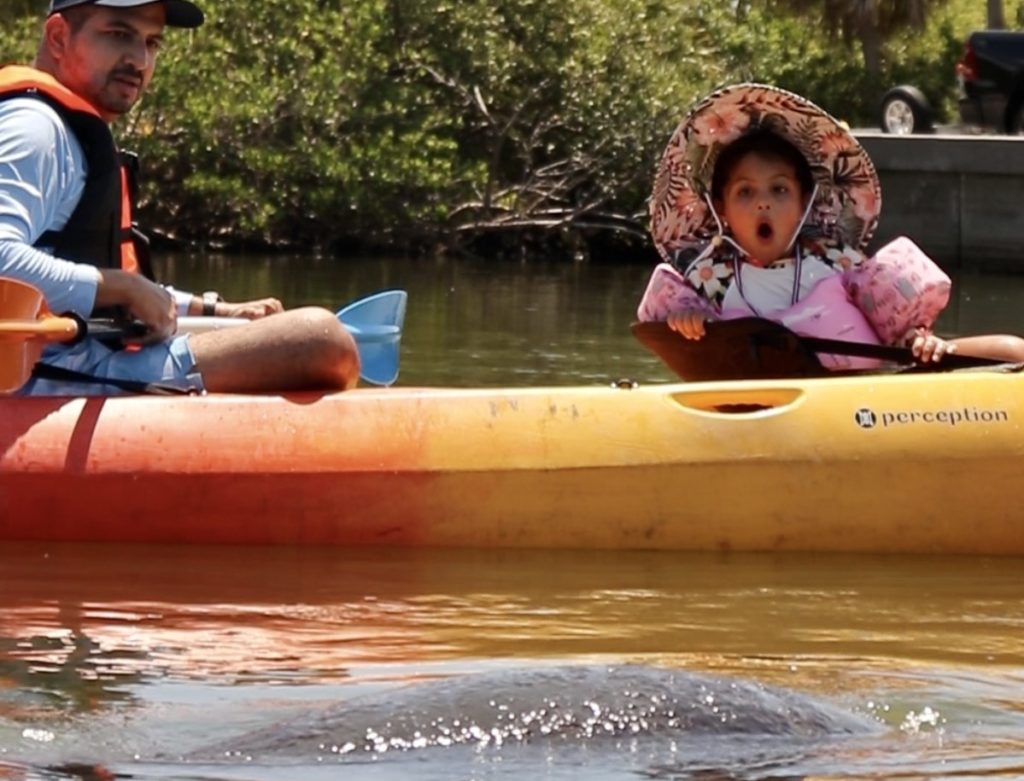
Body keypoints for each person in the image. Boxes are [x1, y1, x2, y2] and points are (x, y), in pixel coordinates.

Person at [0, 0, 359, 395]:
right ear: (58, 37)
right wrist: (121, 287)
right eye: (119, 35)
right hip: (46, 381)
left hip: (84, 363)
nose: (139, 60)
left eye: (152, 43)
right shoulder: (33, 130)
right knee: (321, 340)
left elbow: (93, 282)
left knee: (306, 336)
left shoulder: (67, 131)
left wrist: (219, 312)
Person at [636, 82, 999, 370]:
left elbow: (901, 335)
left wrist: (920, 340)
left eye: (779, 190)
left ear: (803, 204)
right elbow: (677, 335)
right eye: (745, 192)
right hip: (761, 413)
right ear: (722, 210)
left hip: (863, 404)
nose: (763, 202)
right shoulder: (704, 283)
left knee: (1011, 352)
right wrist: (686, 322)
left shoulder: (841, 266)